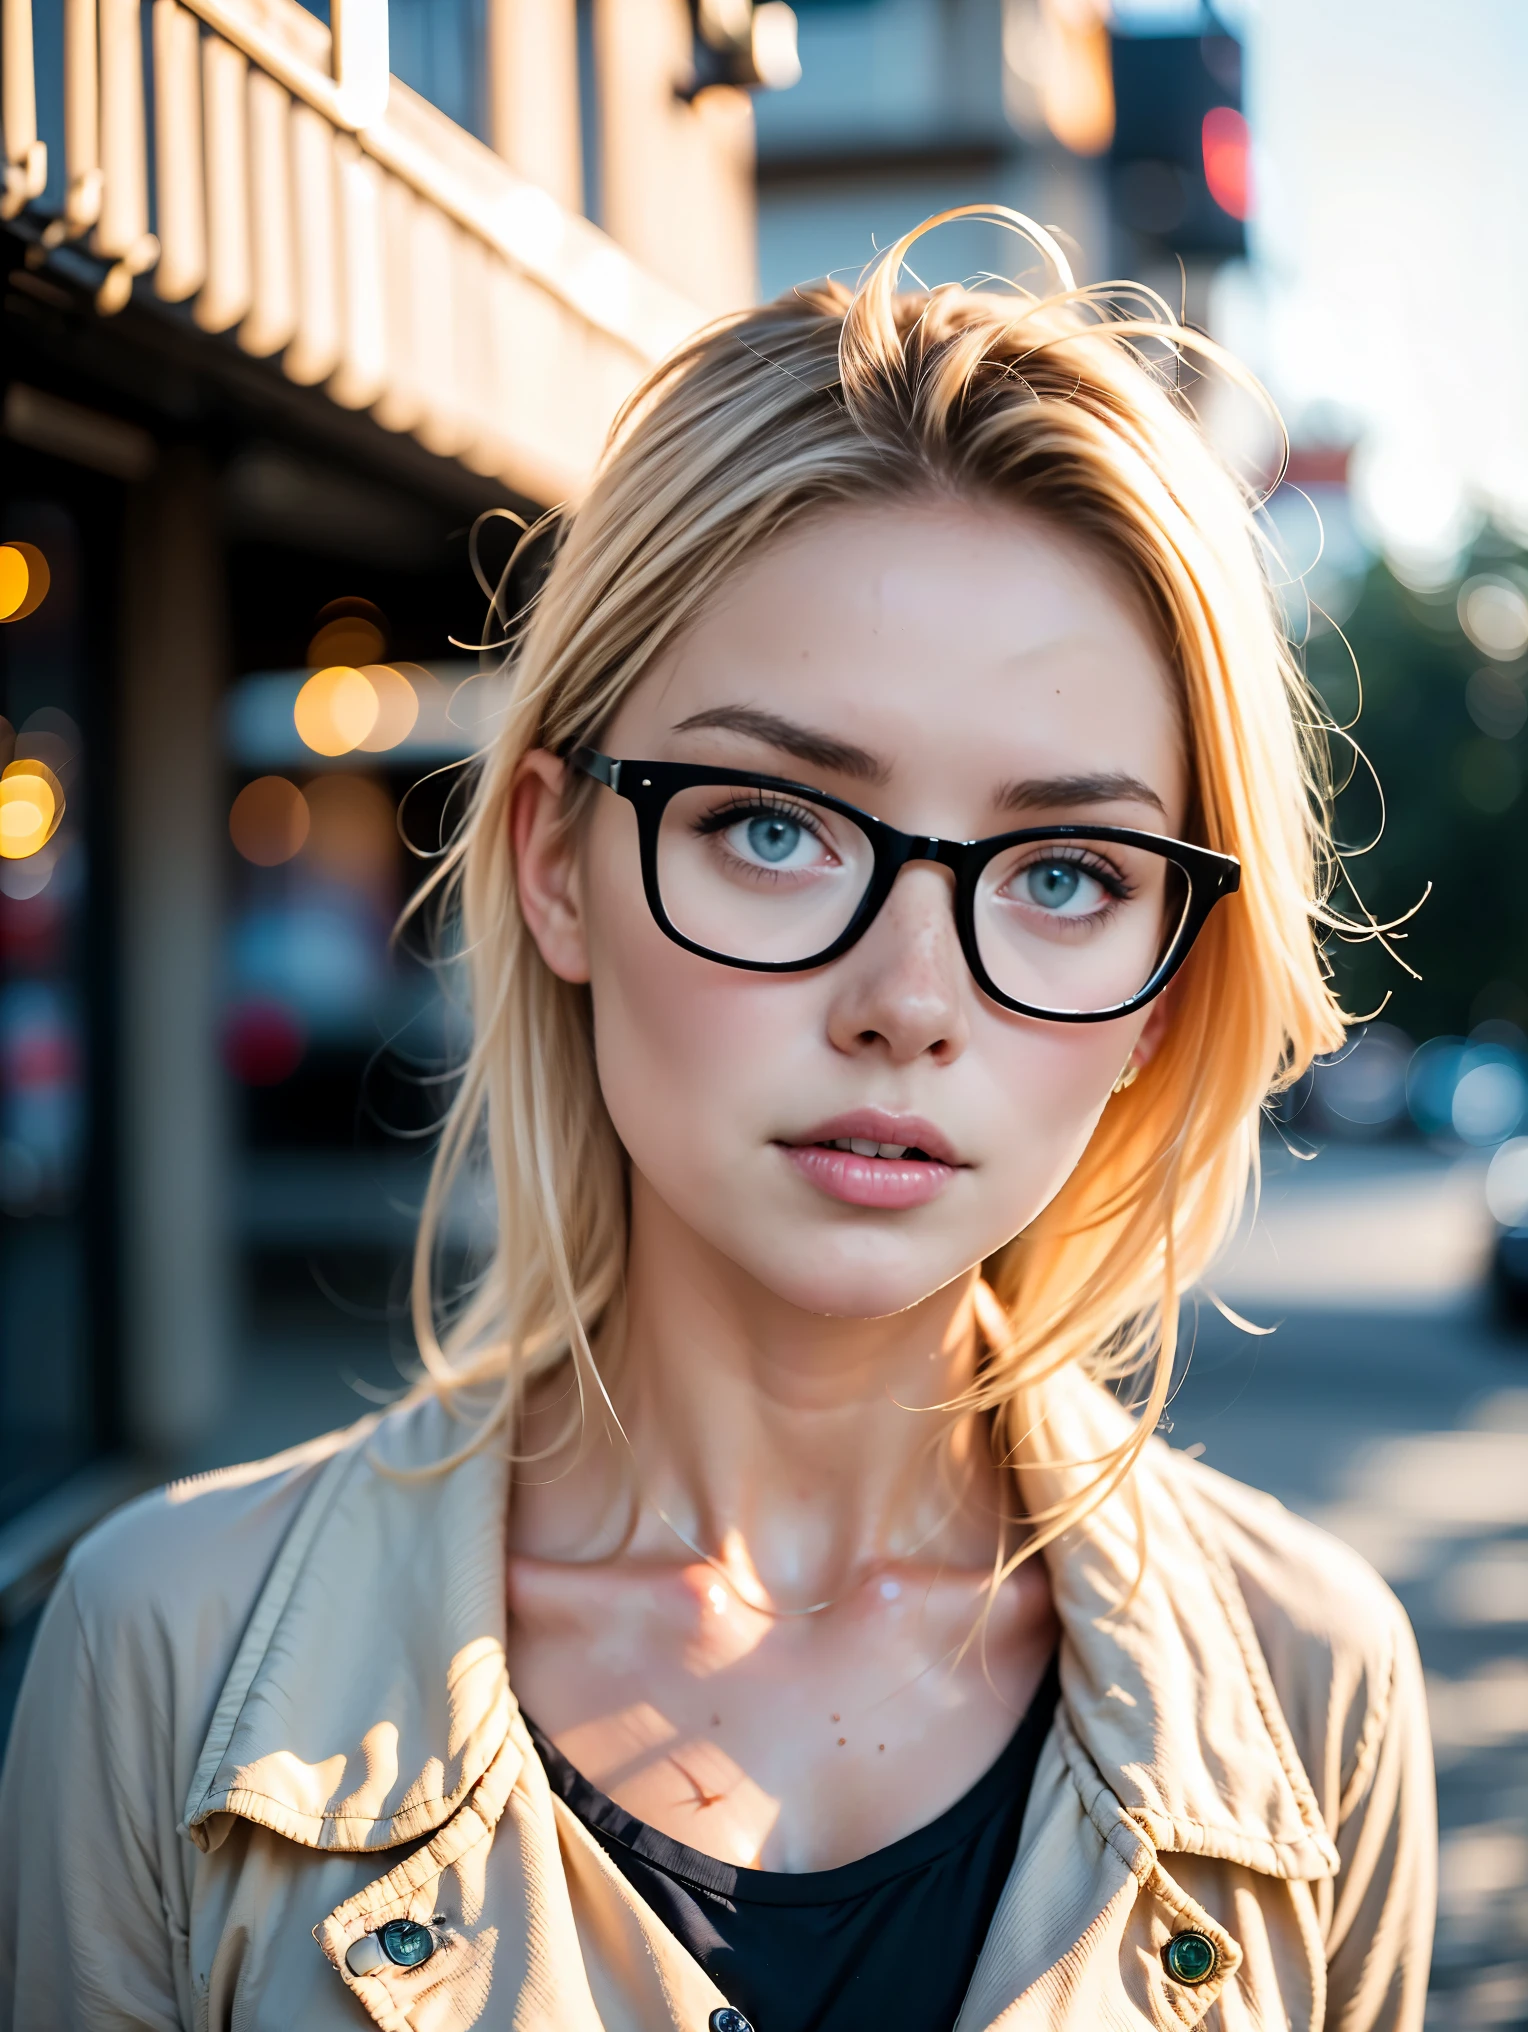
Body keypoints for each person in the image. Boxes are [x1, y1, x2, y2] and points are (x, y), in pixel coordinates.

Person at [0, 210, 1434, 2031]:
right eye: (774, 825)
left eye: (1066, 871)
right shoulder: (163, 1656)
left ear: (1165, 978)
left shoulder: (1316, 1691)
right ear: (558, 867)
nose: (910, 999)